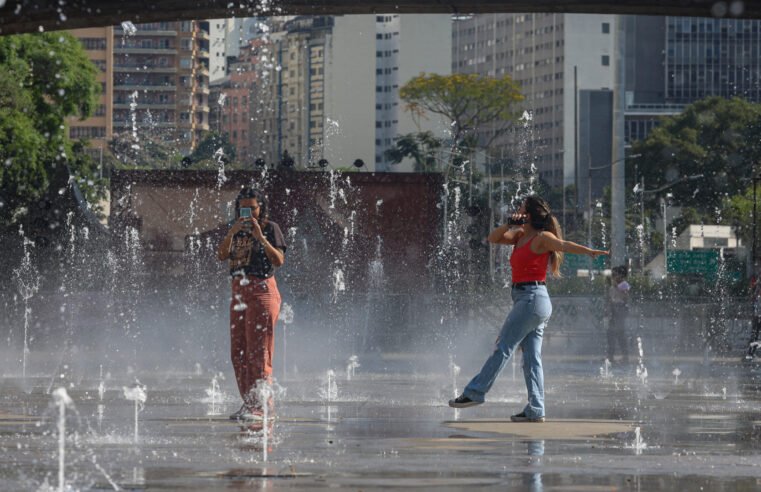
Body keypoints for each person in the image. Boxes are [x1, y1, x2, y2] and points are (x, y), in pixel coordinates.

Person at [449, 195, 608, 422]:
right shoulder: (519, 235)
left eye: (521, 209)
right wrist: (509, 224)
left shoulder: (542, 237)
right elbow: (493, 238)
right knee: (532, 359)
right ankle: (536, 409)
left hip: (532, 298)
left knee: (502, 346)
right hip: (528, 300)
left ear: (530, 214)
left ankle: (475, 393)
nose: (517, 211)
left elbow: (563, 245)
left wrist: (589, 252)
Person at [217, 188, 286, 421]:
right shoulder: (235, 228)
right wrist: (232, 233)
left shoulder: (269, 227)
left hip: (261, 290)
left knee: (259, 352)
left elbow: (279, 260)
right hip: (238, 291)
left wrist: (260, 237)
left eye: (252, 208)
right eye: (243, 208)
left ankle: (262, 406)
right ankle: (249, 403)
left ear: (261, 207)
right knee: (239, 352)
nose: (248, 213)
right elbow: (221, 255)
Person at [607, 266, 630, 364]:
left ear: (621, 275)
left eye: (615, 274)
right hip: (613, 310)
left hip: (620, 310)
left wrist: (617, 287)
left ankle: (625, 357)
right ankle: (610, 357)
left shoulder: (624, 285)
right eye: (613, 275)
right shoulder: (613, 286)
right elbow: (610, 298)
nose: (614, 277)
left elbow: (626, 296)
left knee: (620, 334)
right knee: (610, 334)